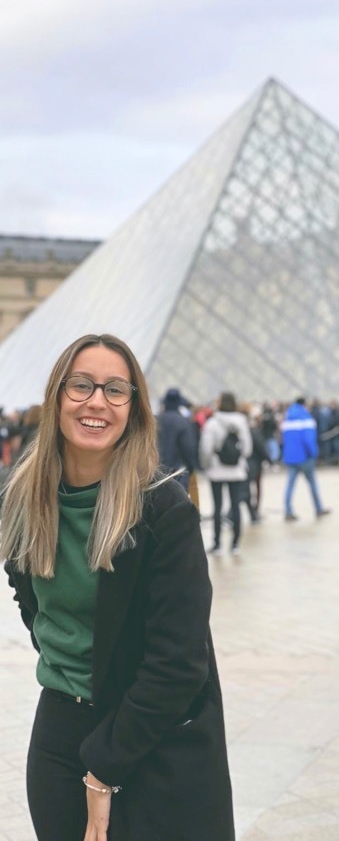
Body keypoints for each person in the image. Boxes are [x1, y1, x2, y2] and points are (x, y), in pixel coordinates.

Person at [1, 333, 234, 841]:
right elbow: (29, 598)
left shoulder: (164, 511)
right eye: (81, 385)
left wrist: (104, 770)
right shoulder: (22, 497)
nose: (97, 402)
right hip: (59, 736)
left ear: (135, 407)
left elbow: (178, 663)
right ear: (56, 396)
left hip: (154, 736)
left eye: (116, 390)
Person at [199, 391, 252, 554]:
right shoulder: (242, 423)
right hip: (236, 471)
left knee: (217, 506)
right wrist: (239, 459)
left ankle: (217, 544)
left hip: (216, 470)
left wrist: (207, 465)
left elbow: (206, 449)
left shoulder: (212, 423)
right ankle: (235, 544)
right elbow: (248, 449)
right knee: (235, 506)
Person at [281, 397, 331, 521]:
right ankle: (318, 508)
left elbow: (283, 440)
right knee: (312, 484)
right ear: (304, 405)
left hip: (291, 457)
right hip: (305, 457)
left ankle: (288, 510)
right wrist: (314, 454)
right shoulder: (306, 418)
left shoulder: (287, 418)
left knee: (290, 485)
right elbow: (308, 440)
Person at [156, 387, 197, 491]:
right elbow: (188, 448)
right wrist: (191, 467)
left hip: (156, 473)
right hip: (178, 473)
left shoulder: (155, 420)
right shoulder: (183, 422)